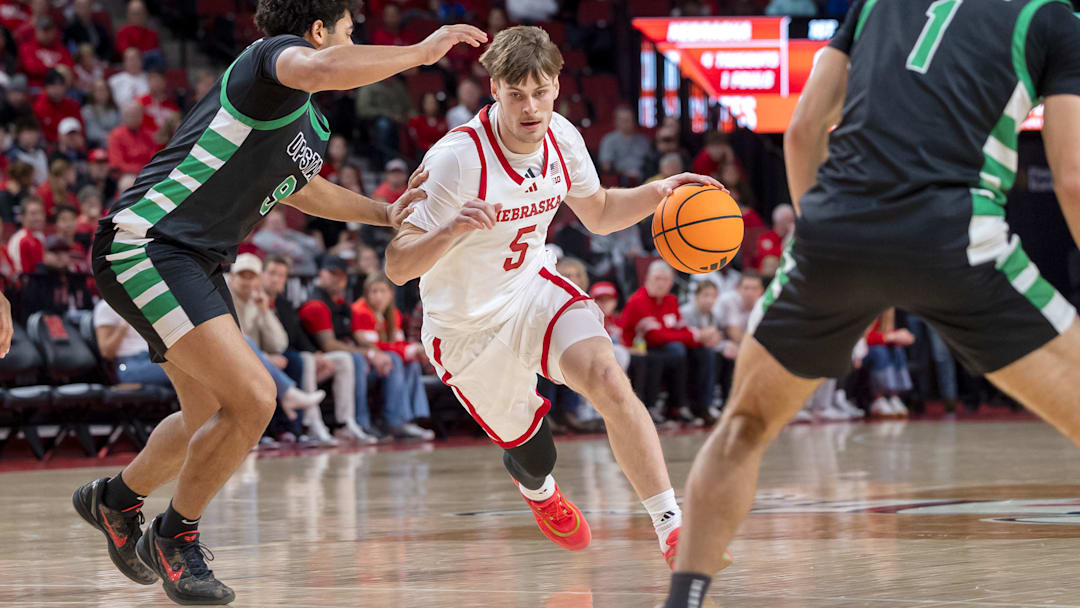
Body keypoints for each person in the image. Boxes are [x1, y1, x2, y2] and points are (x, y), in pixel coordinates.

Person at [665, 1, 1080, 606]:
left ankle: (685, 599)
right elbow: (1070, 178)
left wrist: (819, 242)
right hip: (954, 239)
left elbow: (805, 130)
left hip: (836, 234)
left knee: (743, 429)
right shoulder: (1049, 18)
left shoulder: (878, 3)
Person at [71, 0, 485, 603]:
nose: (355, 39)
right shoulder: (267, 63)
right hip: (148, 244)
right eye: (347, 31)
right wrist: (422, 53)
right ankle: (173, 537)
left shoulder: (305, 121)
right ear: (318, 32)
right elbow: (320, 69)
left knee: (206, 415)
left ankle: (114, 500)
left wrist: (382, 213)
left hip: (198, 260)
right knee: (254, 399)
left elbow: (300, 188)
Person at [385, 26, 724, 566]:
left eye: (540, 92)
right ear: (493, 88)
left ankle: (672, 527)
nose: (530, 107)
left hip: (530, 293)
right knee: (535, 455)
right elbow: (398, 266)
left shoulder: (563, 137)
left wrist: (660, 194)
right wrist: (448, 231)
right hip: (464, 328)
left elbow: (603, 212)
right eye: (516, 93)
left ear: (557, 86)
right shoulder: (456, 160)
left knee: (611, 380)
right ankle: (538, 492)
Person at [262, 253, 378, 444]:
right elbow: (327, 343)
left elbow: (297, 334)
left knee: (343, 359)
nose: (276, 279)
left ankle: (346, 422)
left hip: (297, 359)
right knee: (305, 359)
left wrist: (316, 354)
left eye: (281, 275)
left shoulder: (285, 303)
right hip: (273, 359)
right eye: (272, 273)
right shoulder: (314, 304)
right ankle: (313, 423)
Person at [351, 271, 435, 439]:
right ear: (366, 294)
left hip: (386, 366)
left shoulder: (393, 314)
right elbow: (375, 346)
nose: (378, 296)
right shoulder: (360, 311)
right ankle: (393, 420)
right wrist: (407, 351)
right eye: (373, 291)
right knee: (396, 359)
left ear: (390, 294)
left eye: (382, 291)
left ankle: (409, 419)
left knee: (411, 363)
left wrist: (414, 348)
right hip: (367, 366)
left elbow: (397, 344)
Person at [597, 106, 651, 181]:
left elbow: (650, 162)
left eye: (629, 120)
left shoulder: (643, 140)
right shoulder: (609, 140)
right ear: (616, 122)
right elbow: (606, 166)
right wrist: (622, 173)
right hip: (620, 180)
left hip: (644, 178)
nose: (627, 123)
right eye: (624, 120)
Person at [32, 68, 81, 143]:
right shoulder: (39, 107)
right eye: (53, 86)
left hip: (72, 145)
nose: (56, 90)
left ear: (65, 87)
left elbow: (80, 131)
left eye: (59, 86)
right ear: (46, 88)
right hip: (49, 146)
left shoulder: (72, 105)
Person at [106, 102, 156, 175]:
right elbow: (116, 164)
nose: (134, 118)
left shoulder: (148, 135)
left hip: (148, 174)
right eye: (131, 116)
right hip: (126, 175)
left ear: (142, 116)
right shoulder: (116, 135)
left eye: (137, 115)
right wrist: (142, 170)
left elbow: (153, 159)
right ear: (124, 117)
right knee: (128, 182)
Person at [7, 195, 44, 273]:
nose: (39, 218)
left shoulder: (40, 236)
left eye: (41, 213)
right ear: (22, 217)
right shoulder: (18, 239)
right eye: (33, 214)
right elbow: (17, 272)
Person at [82, 79, 120, 148]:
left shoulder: (116, 109)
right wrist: (108, 136)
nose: (102, 92)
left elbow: (120, 127)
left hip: (116, 142)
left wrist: (114, 136)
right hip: (96, 146)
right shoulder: (87, 110)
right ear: (93, 93)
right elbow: (91, 132)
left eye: (104, 90)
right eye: (99, 90)